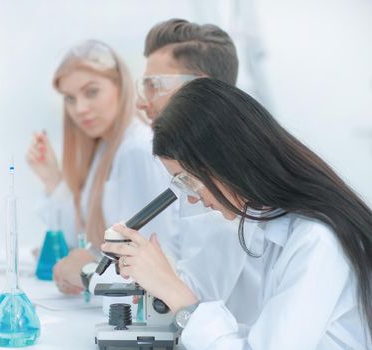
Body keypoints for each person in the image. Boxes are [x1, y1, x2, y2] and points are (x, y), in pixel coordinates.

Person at [102, 78, 372, 349]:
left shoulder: (317, 240)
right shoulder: (272, 225)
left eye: (188, 180)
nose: (193, 197)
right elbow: (259, 336)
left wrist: (175, 292)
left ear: (226, 161)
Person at [133, 18, 263, 324]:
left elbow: (196, 300)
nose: (141, 102)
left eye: (154, 85)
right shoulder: (188, 163)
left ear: (200, 87)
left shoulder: (222, 177)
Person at [26, 40, 176, 294]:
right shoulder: (105, 148)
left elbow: (151, 265)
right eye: (70, 99)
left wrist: (88, 273)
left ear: (120, 86)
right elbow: (81, 238)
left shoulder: (136, 151)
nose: (79, 109)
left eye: (91, 92)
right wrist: (53, 179)